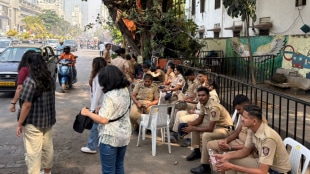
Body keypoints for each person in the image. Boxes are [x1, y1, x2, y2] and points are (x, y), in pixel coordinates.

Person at [80, 65, 131, 174]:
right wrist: (102, 107)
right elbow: (119, 109)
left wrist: (87, 113)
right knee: (119, 165)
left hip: (110, 138)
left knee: (108, 170)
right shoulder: (125, 90)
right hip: (124, 134)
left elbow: (103, 120)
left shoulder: (110, 95)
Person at [214, 105, 291, 174]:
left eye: (245, 117)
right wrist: (225, 156)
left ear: (254, 121)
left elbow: (262, 172)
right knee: (227, 160)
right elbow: (245, 151)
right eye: (242, 116)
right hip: (264, 164)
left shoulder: (268, 138)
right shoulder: (251, 129)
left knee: (231, 165)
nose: (241, 119)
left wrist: (232, 167)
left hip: (276, 171)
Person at [16, 53, 56, 174]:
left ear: (30, 65)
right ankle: (47, 172)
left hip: (33, 123)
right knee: (47, 149)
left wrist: (19, 123)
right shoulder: (50, 79)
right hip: (48, 121)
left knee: (33, 152)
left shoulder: (30, 81)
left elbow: (26, 105)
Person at [182, 87, 233, 174]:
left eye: (203, 95)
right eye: (199, 95)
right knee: (195, 127)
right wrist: (189, 125)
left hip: (225, 129)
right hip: (216, 126)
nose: (201, 97)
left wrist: (193, 127)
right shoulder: (202, 103)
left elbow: (210, 129)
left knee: (206, 135)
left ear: (208, 96)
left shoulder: (214, 107)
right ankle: (197, 151)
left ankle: (205, 166)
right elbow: (199, 120)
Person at [81, 57, 107, 154]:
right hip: (100, 104)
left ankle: (91, 146)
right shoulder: (100, 75)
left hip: (99, 105)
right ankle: (100, 143)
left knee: (95, 125)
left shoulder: (99, 76)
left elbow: (97, 93)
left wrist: (92, 108)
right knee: (100, 125)